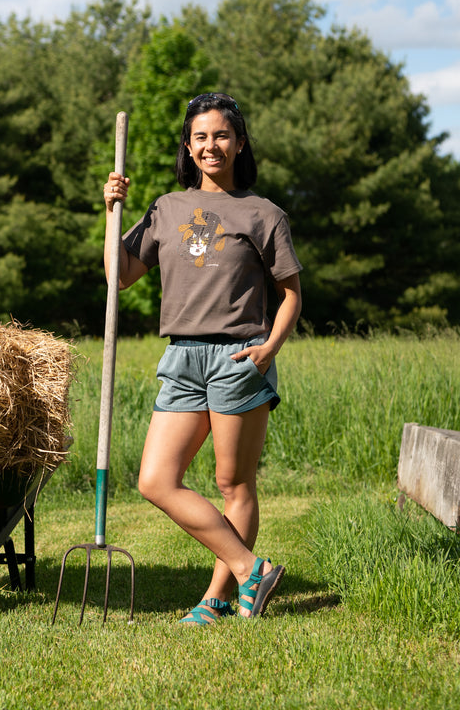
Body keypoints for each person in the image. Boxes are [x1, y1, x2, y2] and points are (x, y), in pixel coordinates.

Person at [102, 92, 303, 624]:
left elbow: (292, 295)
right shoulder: (166, 208)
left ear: (238, 143)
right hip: (182, 356)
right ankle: (248, 567)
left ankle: (217, 597)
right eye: (200, 137)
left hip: (240, 356)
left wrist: (268, 349)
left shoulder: (264, 214)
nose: (210, 145)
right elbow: (118, 276)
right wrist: (110, 213)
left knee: (233, 484)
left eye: (220, 135)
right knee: (155, 481)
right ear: (188, 149)